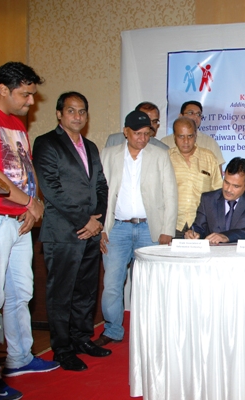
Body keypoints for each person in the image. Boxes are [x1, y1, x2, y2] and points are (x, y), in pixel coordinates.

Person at [0, 61, 59, 400]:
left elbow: (25, 169)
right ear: (3, 89)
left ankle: (19, 358)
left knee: (21, 291)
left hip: (19, 219)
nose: (31, 102)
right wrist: (30, 203)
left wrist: (33, 205)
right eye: (25, 94)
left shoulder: (16, 123)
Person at [33, 92, 111, 371]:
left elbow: (101, 185)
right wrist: (84, 221)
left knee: (86, 292)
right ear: (59, 114)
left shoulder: (90, 146)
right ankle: (62, 349)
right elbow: (51, 189)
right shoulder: (46, 143)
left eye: (82, 111)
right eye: (71, 110)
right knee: (61, 294)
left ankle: (81, 339)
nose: (77, 116)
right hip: (63, 233)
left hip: (90, 231)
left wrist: (97, 221)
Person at [95, 110, 177, 347]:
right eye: (137, 133)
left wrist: (167, 230)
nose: (143, 138)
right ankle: (112, 330)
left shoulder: (160, 155)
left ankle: (149, 331)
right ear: (125, 132)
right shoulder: (108, 154)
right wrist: (102, 227)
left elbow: (170, 194)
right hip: (116, 229)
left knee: (149, 285)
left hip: (149, 230)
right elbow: (100, 194)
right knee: (112, 283)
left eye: (147, 134)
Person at [185, 157, 245, 244]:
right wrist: (193, 233)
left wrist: (226, 236)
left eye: (236, 186)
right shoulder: (208, 199)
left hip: (241, 252)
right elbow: (199, 227)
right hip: (213, 251)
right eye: (226, 182)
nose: (228, 189)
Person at [169, 116, 222, 238]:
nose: (186, 141)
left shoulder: (209, 158)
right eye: (181, 136)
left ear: (196, 135)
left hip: (202, 225)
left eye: (190, 136)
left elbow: (218, 193)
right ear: (174, 137)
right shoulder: (166, 158)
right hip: (173, 225)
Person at [162, 100, 225, 168]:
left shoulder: (210, 142)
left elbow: (217, 171)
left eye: (198, 114)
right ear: (180, 116)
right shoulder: (165, 142)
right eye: (190, 113)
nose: (195, 117)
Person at [104, 102, 169, 151]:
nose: (150, 125)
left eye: (154, 121)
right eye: (146, 120)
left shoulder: (162, 149)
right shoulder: (115, 141)